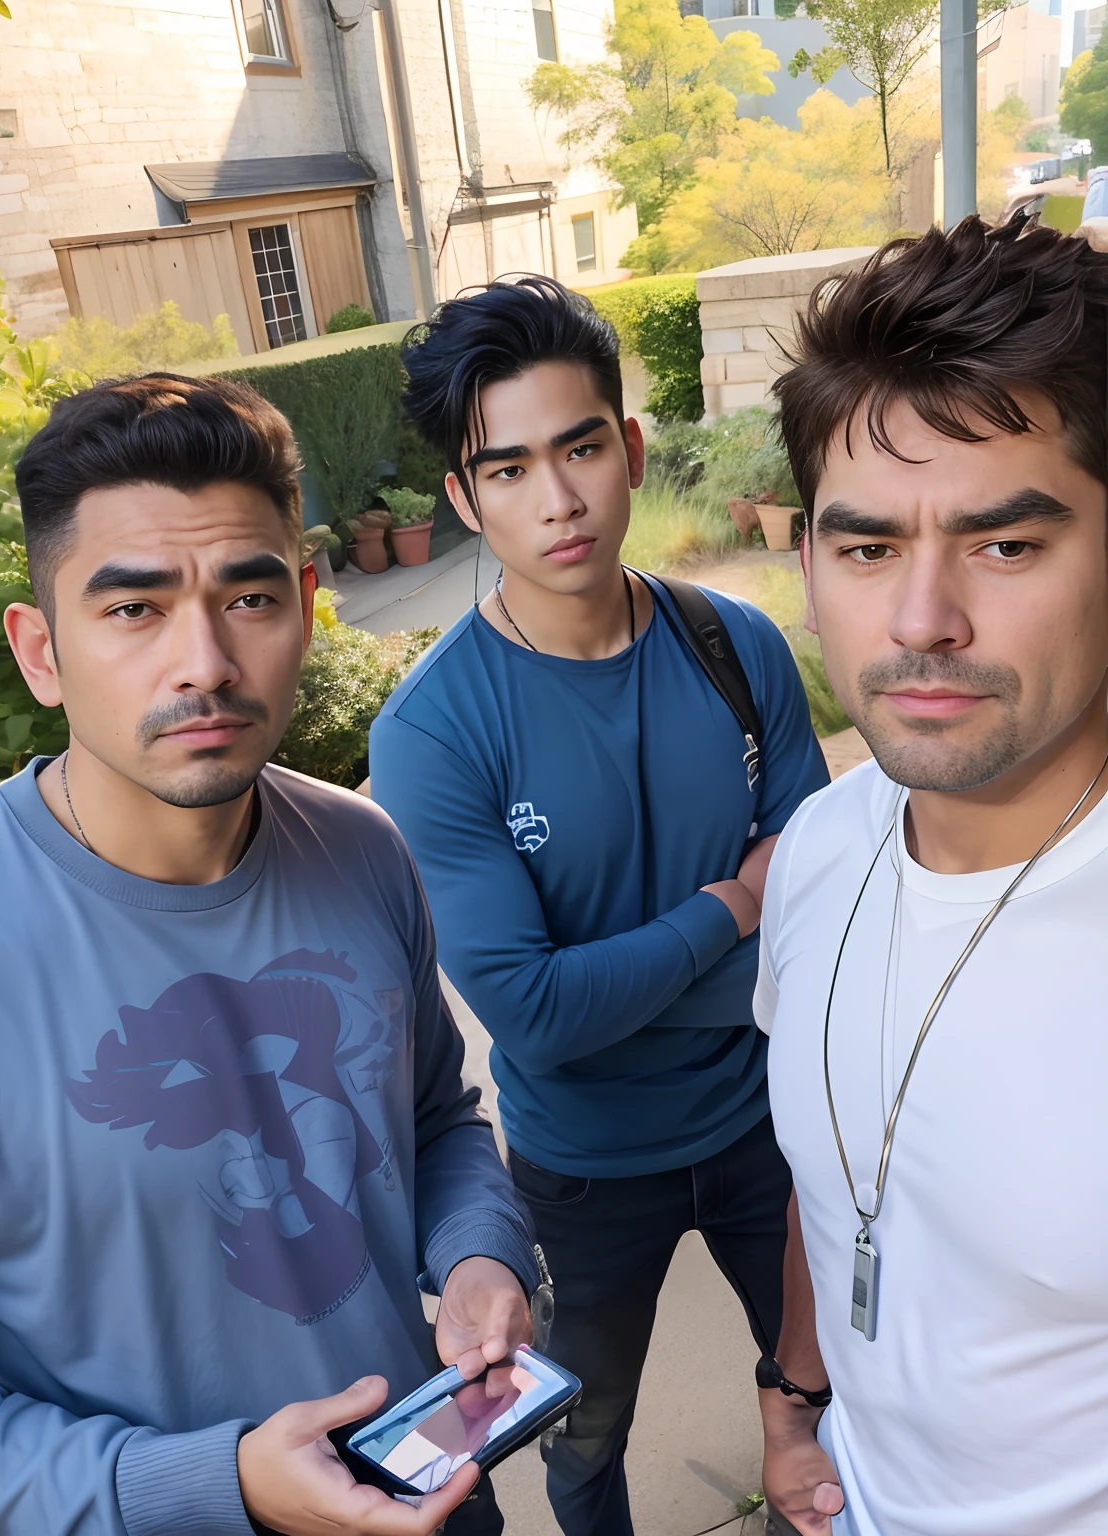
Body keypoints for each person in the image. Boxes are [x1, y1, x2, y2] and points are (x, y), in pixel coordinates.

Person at [0, 373, 540, 1536]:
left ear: (309, 602)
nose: (206, 662)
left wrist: (480, 1252)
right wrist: (215, 1485)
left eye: (249, 596)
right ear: (39, 649)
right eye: (133, 610)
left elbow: (432, 1118)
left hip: (435, 1501)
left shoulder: (362, 844)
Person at [369, 276, 829, 1536]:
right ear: (463, 501)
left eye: (579, 447)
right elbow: (533, 1012)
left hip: (767, 1129)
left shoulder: (735, 647)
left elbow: (824, 909)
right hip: (584, 1166)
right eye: (507, 469)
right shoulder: (433, 732)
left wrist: (658, 960)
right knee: (588, 1434)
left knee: (837, 1385)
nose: (558, 499)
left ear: (628, 448)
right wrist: (732, 906)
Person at [755, 214, 1108, 1536]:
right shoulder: (823, 850)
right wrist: (793, 1399)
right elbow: (836, 1169)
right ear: (805, 563)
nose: (921, 622)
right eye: (866, 549)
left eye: (1005, 545)